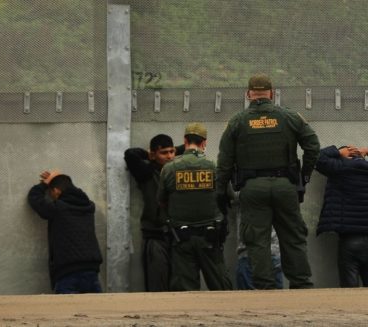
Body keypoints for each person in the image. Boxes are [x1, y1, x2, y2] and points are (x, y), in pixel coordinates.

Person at [216, 74, 320, 289]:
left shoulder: (237, 121)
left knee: (257, 240)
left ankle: (266, 288)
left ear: (248, 94)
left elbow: (224, 162)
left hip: (252, 188)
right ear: (272, 93)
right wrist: (304, 176)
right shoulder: (290, 117)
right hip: (286, 186)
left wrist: (219, 192)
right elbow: (313, 147)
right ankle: (301, 285)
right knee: (292, 236)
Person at [158, 123, 232, 291]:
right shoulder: (215, 167)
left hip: (181, 237)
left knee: (184, 290)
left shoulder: (169, 169)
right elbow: (228, 197)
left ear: (185, 140)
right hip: (210, 236)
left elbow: (162, 200)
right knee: (221, 287)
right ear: (204, 143)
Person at [315, 145, 368, 287]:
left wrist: (338, 151)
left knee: (350, 290)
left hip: (349, 240)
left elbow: (317, 158)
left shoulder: (339, 168)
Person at [27, 171, 103, 294]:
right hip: (91, 269)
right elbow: (71, 191)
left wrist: (45, 184)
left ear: (57, 191)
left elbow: (35, 198)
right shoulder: (88, 206)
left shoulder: (58, 208)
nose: (51, 196)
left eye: (51, 192)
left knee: (66, 310)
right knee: (94, 310)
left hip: (68, 271)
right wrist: (57, 179)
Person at [124, 134, 177, 292]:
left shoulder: (178, 170)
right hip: (155, 236)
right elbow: (130, 154)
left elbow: (186, 149)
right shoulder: (147, 172)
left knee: (179, 284)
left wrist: (171, 151)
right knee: (157, 285)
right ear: (153, 155)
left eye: (172, 152)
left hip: (177, 237)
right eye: (164, 153)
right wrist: (149, 155)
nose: (169, 156)